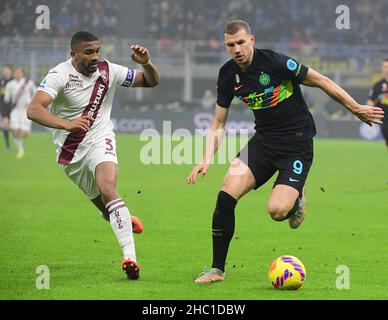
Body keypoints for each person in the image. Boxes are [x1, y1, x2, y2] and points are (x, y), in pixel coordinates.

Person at [186, 20, 384, 284]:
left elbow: (321, 80)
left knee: (278, 212)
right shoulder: (227, 75)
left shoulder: (276, 62)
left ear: (252, 40)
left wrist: (356, 107)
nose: (236, 49)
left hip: (297, 143)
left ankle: (296, 195)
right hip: (263, 142)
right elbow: (218, 123)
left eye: (241, 43)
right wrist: (206, 158)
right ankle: (216, 270)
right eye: (230, 45)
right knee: (225, 194)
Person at [27, 31, 160, 280]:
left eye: (97, 51)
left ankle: (130, 258)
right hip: (70, 151)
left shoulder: (108, 70)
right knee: (107, 209)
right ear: (73, 54)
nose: (95, 56)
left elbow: (151, 81)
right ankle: (122, 215)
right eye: (88, 52)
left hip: (100, 139)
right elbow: (34, 109)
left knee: (107, 188)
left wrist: (146, 64)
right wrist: (67, 124)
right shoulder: (59, 75)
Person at [4, 68, 36, 158]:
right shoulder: (10, 84)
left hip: (25, 110)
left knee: (25, 134)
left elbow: (36, 91)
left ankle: (20, 135)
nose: (17, 74)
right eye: (16, 73)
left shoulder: (28, 83)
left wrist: (31, 101)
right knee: (15, 131)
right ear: (14, 74)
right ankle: (20, 150)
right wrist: (7, 99)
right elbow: (7, 97)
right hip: (15, 110)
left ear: (22, 74)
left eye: (19, 73)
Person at [367, 58, 388, 148]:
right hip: (385, 121)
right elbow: (370, 102)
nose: (386, 69)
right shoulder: (378, 86)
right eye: (385, 67)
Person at [0, 65, 14, 151]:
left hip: (13, 105)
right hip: (3, 104)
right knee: (5, 123)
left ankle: (13, 136)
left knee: (12, 124)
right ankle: (7, 144)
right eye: (4, 70)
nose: (5, 71)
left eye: (6, 70)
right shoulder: (1, 80)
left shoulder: (13, 81)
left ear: (10, 71)